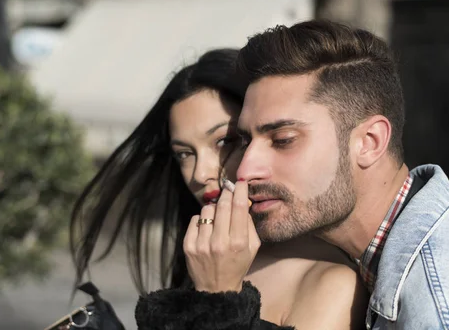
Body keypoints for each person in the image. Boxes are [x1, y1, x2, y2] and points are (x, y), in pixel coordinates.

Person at [137, 21, 449, 329]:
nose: (244, 170)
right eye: (244, 140)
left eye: (283, 139)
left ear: (370, 141)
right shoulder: (441, 223)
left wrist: (218, 303)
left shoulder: (447, 306)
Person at [70, 49, 366, 329]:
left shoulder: (332, 284)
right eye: (184, 154)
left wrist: (218, 296)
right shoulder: (207, 258)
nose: (200, 174)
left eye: (224, 142)